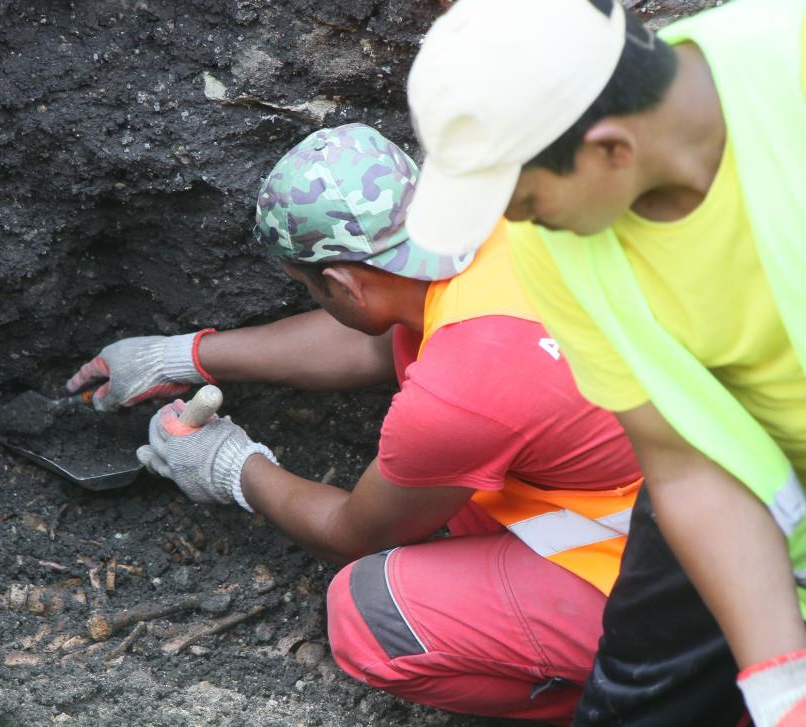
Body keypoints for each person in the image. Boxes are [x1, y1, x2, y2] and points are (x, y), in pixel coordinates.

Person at [68, 123, 643, 724]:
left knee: (370, 613)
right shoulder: (507, 223)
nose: (321, 305)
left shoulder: (460, 392)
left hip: (675, 572)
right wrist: (185, 355)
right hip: (679, 482)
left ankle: (659, 700)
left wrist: (231, 467)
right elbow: (378, 334)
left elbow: (354, 533)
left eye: (312, 291)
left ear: (341, 284)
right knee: (437, 473)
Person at [402, 0, 806, 724]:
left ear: (612, 149)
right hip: (745, 466)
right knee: (641, 696)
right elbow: (683, 462)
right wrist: (782, 683)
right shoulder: (556, 241)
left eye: (524, 201)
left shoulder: (791, 70)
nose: (514, 224)